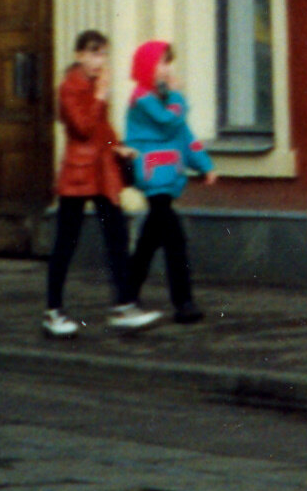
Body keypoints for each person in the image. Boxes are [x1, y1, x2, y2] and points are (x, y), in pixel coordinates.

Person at [44, 31, 158, 336]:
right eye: (94, 53)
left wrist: (117, 145)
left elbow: (101, 127)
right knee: (66, 242)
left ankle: (123, 306)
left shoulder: (95, 85)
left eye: (104, 54)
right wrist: (100, 97)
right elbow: (82, 128)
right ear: (79, 54)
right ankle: (53, 312)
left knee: (117, 235)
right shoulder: (70, 87)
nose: (100, 60)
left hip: (103, 170)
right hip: (78, 173)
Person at [119, 38, 213, 324]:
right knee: (175, 239)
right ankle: (183, 303)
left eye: (168, 62)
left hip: (167, 175)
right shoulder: (142, 97)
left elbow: (183, 135)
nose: (167, 69)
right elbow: (169, 122)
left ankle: (127, 294)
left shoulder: (165, 99)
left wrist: (204, 165)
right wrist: (178, 96)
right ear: (148, 66)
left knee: (149, 239)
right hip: (151, 175)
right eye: (162, 62)